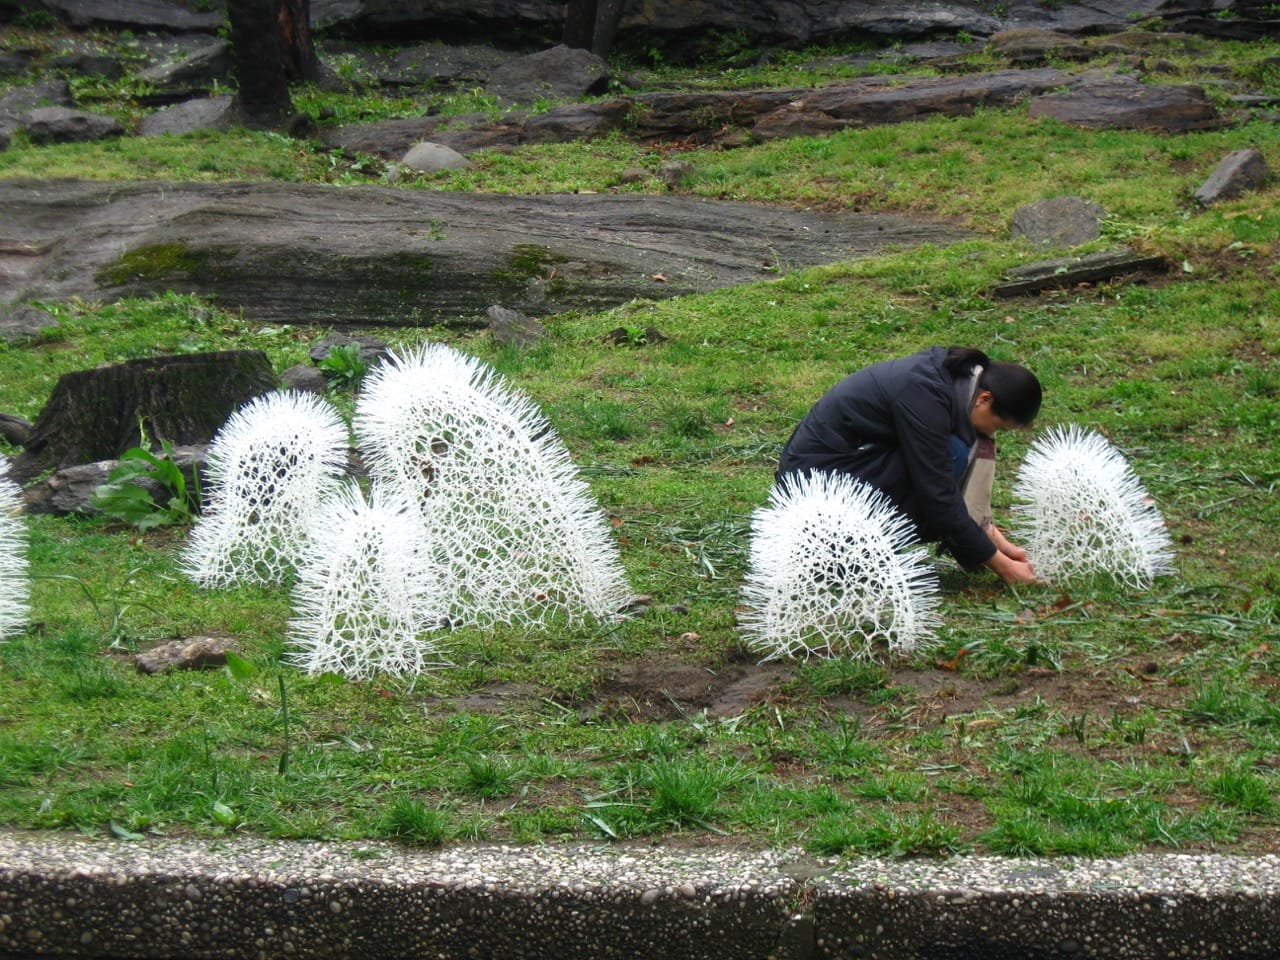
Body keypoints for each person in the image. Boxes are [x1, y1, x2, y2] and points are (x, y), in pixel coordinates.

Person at [777, 346, 1041, 584]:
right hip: (813, 482)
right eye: (998, 426)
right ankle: (851, 555)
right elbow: (939, 495)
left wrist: (992, 540)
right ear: (985, 399)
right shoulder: (925, 396)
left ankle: (865, 549)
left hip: (849, 463)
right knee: (952, 455)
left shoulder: (954, 380)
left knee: (950, 454)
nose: (992, 436)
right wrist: (1003, 566)